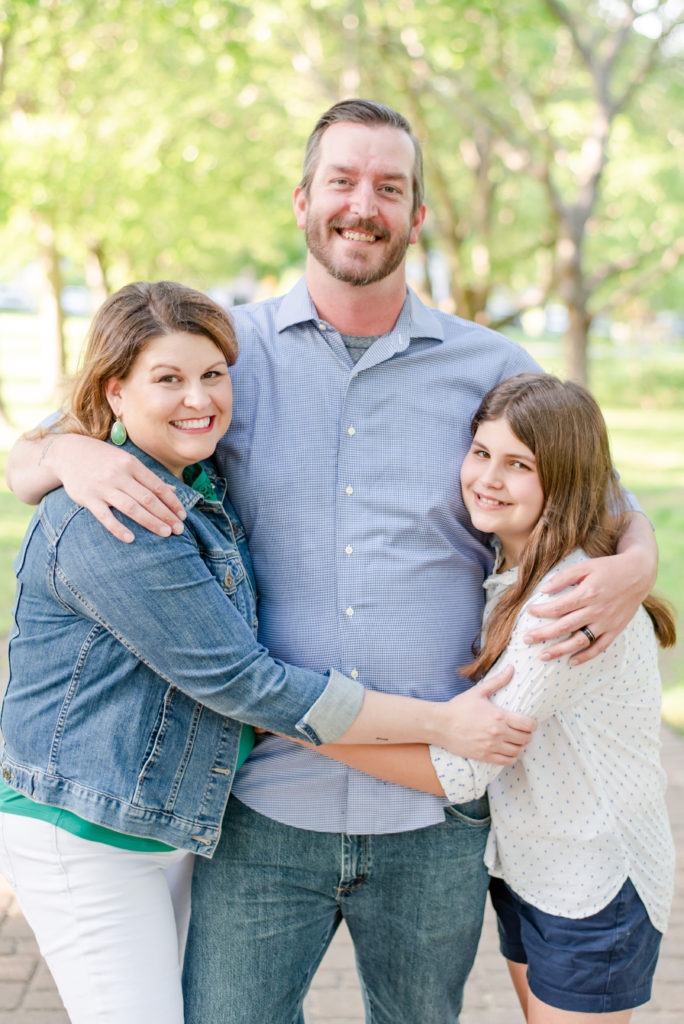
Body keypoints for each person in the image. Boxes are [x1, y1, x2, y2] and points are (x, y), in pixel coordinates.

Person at [5, 101, 659, 1023]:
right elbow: (41, 441)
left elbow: (600, 499)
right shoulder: (223, 355)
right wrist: (68, 453)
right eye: (343, 182)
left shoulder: (488, 361)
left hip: (434, 821)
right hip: (260, 808)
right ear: (304, 200)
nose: (365, 206)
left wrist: (641, 560)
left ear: (417, 215)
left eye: (390, 188)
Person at [0, 280, 535, 1024]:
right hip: (88, 831)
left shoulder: (197, 485)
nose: (198, 397)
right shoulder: (108, 517)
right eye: (168, 380)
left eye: (213, 377)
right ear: (114, 393)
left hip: (169, 823)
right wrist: (441, 725)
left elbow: (589, 491)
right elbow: (243, 683)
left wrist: (629, 562)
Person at [311, 373, 676, 1023]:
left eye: (518, 465)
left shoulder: (562, 607)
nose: (488, 478)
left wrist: (300, 724)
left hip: (595, 882)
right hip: (530, 867)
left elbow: (460, 769)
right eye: (481, 453)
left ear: (563, 479)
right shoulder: (510, 565)